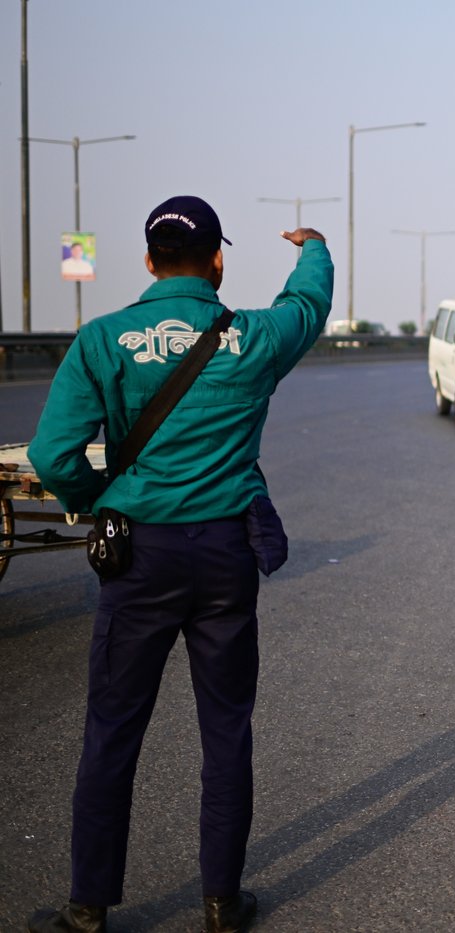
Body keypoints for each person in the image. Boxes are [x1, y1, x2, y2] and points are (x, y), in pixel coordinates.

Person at [26, 195, 334, 933]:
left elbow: (50, 456)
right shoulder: (253, 336)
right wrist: (315, 245)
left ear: (147, 261)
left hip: (141, 554)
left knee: (113, 728)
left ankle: (88, 908)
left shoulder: (102, 338)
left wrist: (98, 498)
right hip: (226, 552)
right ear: (218, 262)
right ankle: (223, 904)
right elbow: (307, 304)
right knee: (226, 727)